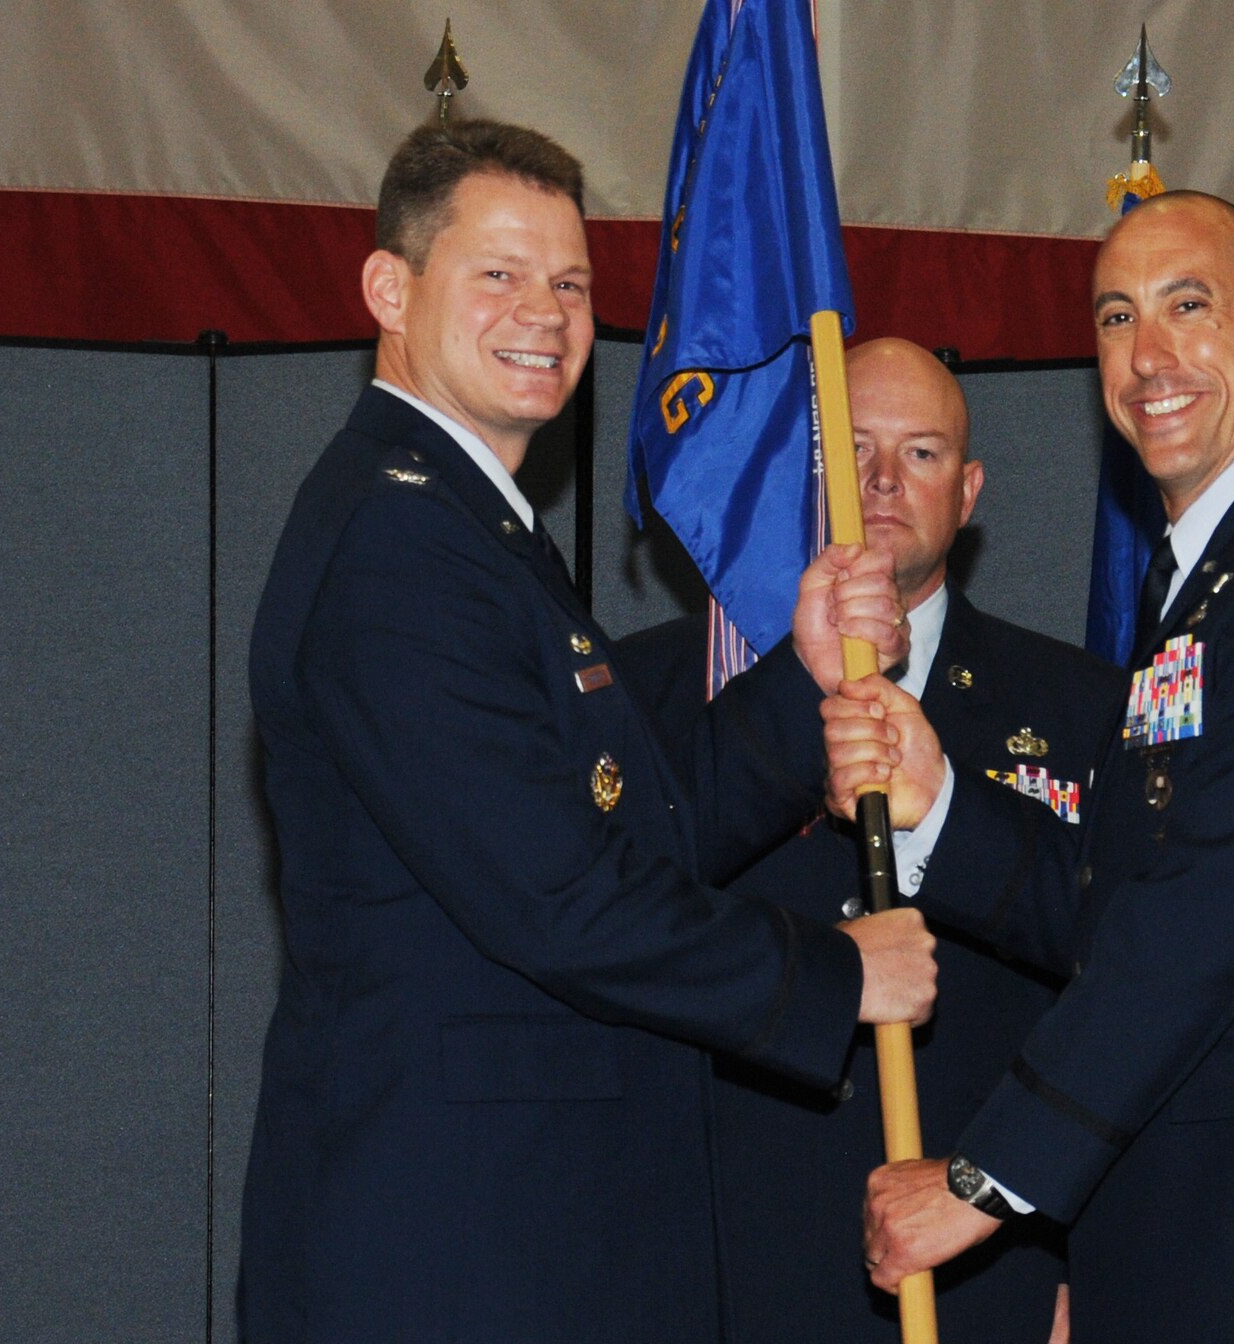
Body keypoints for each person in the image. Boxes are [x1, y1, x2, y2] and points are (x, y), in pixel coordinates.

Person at [239, 119, 938, 1344]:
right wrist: (834, 974)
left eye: (569, 282)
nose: (545, 314)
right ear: (389, 290)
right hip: (458, 1249)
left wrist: (801, 679)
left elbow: (632, 825)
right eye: (498, 275)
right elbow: (556, 897)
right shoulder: (401, 549)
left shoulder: (473, 530)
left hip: (530, 1228)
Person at [827, 192, 1234, 1341]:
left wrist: (988, 1178)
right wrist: (937, 805)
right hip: (1179, 1253)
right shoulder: (1202, 585)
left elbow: (1211, 912)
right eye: (1117, 318)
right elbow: (1117, 901)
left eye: (1190, 306)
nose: (1148, 356)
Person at [621, 338, 1125, 1344]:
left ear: (968, 489)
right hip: (728, 1261)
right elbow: (611, 931)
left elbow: (1119, 1000)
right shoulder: (667, 692)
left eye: (923, 454)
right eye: (854, 449)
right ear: (808, 470)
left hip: (980, 1273)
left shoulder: (1078, 706)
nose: (886, 482)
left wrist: (1083, 1266)